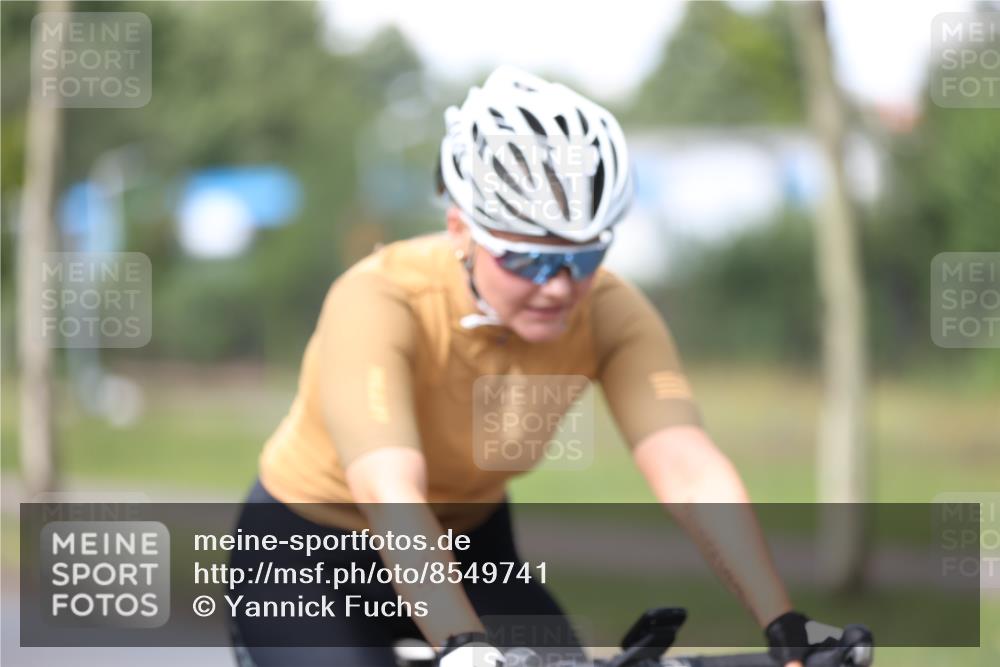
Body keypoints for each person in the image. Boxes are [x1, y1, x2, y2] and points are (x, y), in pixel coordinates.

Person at [230, 66, 828, 667]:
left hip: (472, 545)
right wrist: (463, 645)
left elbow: (688, 468)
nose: (560, 288)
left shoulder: (611, 310)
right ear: (460, 227)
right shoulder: (380, 299)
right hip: (307, 553)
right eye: (528, 260)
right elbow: (390, 492)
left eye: (587, 255)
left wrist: (784, 627)